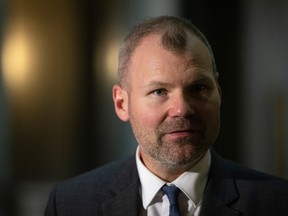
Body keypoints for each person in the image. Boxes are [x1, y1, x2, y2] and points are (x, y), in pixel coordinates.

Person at [45, 16, 288, 216]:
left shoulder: (276, 203)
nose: (182, 109)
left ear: (219, 94)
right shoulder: (70, 205)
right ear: (122, 103)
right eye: (159, 91)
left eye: (198, 88)